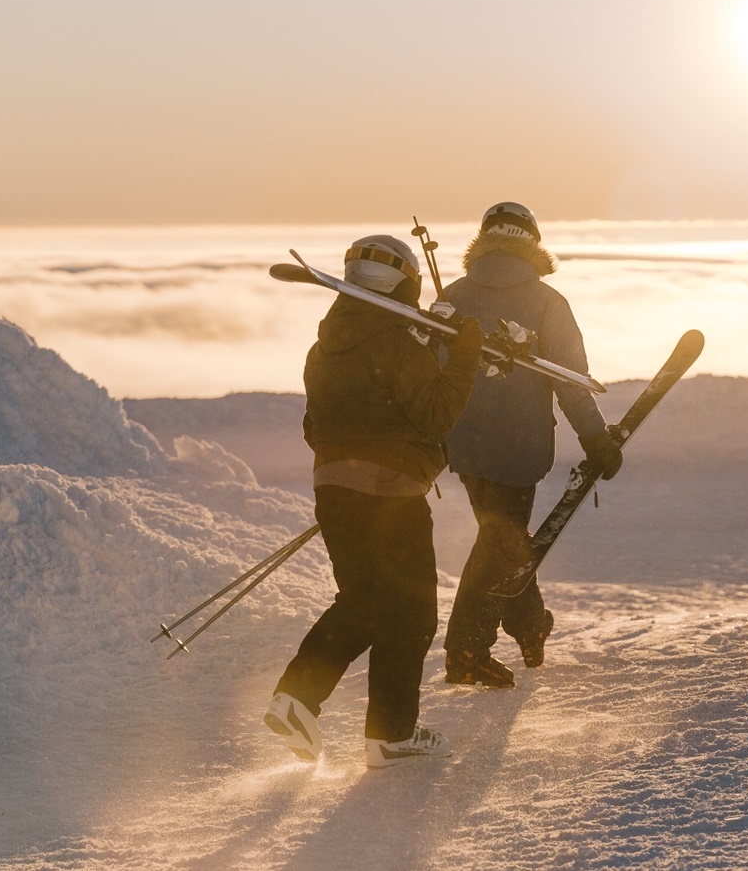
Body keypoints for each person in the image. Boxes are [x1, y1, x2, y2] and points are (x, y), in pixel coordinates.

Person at [264, 234, 483, 768]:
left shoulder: (323, 347)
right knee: (409, 612)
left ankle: (302, 699)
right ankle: (388, 734)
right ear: (403, 282)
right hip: (391, 493)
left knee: (365, 600)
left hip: (334, 488)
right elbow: (435, 415)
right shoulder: (397, 340)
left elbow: (314, 426)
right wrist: (463, 359)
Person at [441, 202, 622, 688]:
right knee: (498, 543)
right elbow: (570, 381)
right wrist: (597, 440)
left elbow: (429, 368)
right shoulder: (547, 302)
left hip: (461, 442)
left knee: (503, 539)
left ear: (483, 240)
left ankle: (527, 624)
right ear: (532, 243)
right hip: (518, 447)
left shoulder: (452, 295)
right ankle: (464, 650)